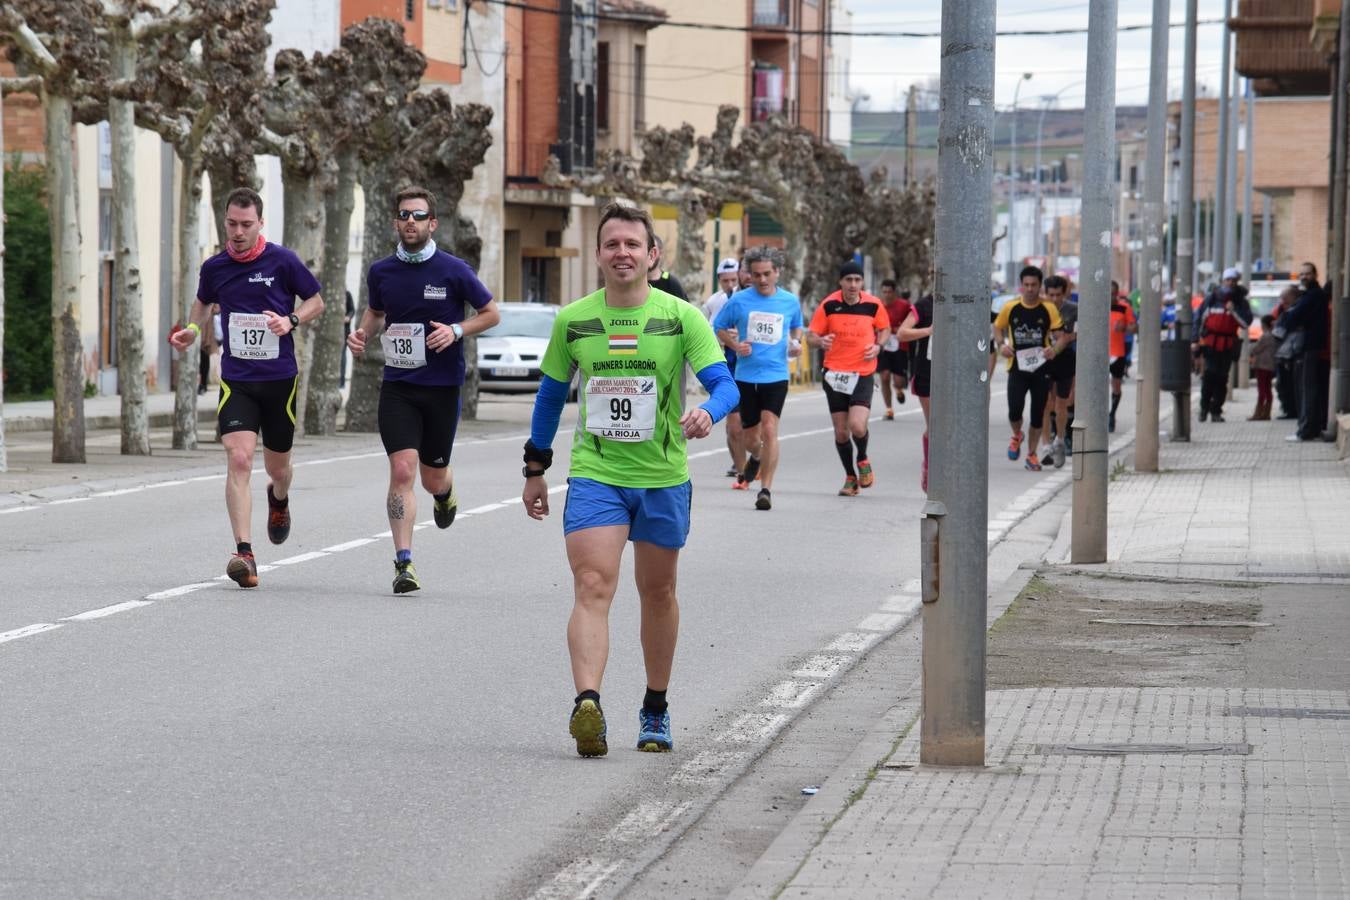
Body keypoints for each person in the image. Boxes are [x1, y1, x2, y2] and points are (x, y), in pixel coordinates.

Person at [521, 202, 738, 758]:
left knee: (658, 590)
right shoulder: (574, 319)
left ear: (652, 256)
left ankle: (655, 707)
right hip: (597, 474)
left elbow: (725, 385)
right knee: (593, 585)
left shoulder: (680, 317)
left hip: (663, 475)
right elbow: (549, 397)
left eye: (633, 245)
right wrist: (535, 468)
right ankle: (587, 703)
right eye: (612, 244)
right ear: (598, 255)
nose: (622, 253)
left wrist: (709, 412)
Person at [168, 187, 324, 588]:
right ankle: (245, 554)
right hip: (237, 380)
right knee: (238, 458)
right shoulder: (215, 267)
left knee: (278, 468)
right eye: (232, 224)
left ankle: (280, 497)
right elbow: (203, 304)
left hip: (278, 380)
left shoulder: (283, 261)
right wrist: (190, 329)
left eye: (246, 225)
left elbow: (316, 301)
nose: (238, 232)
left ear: (260, 224)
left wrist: (290, 319)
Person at [347, 186, 500, 593]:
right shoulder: (381, 272)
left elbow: (491, 313)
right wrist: (361, 335)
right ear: (395, 222)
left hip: (442, 388)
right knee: (402, 470)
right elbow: (377, 312)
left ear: (432, 223)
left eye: (418, 216)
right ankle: (404, 563)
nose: (410, 222)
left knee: (432, 478)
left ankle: (445, 493)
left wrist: (456, 329)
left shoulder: (453, 270)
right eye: (403, 215)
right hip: (398, 386)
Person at [713, 245, 805, 510]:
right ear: (749, 275)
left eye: (767, 273)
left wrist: (796, 342)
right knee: (751, 439)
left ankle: (765, 490)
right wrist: (734, 345)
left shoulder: (789, 301)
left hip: (776, 376)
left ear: (777, 272)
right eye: (756, 275)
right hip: (746, 376)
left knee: (769, 429)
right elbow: (719, 327)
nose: (762, 279)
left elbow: (797, 326)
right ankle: (755, 457)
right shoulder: (739, 301)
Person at [806, 262, 890, 496]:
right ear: (841, 282)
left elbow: (885, 328)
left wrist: (878, 346)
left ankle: (862, 458)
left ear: (862, 282)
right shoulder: (829, 305)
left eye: (857, 280)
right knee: (842, 432)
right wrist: (820, 342)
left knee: (857, 425)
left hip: (862, 372)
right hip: (834, 374)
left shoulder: (873, 305)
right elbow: (811, 336)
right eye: (848, 280)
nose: (853, 284)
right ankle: (850, 478)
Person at [993, 265, 1062, 471]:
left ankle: (1031, 455)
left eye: (1034, 285)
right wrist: (1001, 345)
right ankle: (1017, 435)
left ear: (1040, 286)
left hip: (1041, 369)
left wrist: (1054, 349)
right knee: (1015, 410)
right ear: (1021, 286)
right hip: (1017, 367)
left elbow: (1060, 336)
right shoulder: (1011, 307)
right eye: (1026, 285)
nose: (1030, 289)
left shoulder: (1048, 308)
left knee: (1037, 413)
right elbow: (997, 327)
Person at [1277, 261, 1330, 442]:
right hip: (1309, 346)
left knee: (1306, 389)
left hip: (1309, 346)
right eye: (1301, 274)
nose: (1303, 277)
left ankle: (1305, 430)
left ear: (1315, 274)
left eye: (1307, 273)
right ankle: (1310, 428)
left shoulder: (1313, 295)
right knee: (1307, 388)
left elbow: (1293, 317)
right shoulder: (1310, 295)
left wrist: (1290, 315)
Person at [703, 257, 745, 477]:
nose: (730, 284)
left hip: (747, 364)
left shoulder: (744, 298)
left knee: (749, 424)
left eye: (733, 279)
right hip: (725, 362)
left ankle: (750, 459)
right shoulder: (712, 302)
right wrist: (721, 337)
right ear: (719, 279)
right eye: (725, 280)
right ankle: (739, 466)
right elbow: (704, 329)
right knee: (733, 422)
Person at [1193, 267, 1251, 424]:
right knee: (1209, 377)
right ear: (1223, 281)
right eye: (1228, 280)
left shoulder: (1241, 302)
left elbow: (1246, 323)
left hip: (1228, 345)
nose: (1230, 283)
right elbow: (1199, 319)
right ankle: (1204, 408)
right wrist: (1194, 341)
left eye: (1233, 280)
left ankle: (1216, 410)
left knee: (1222, 379)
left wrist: (1234, 310)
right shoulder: (1211, 299)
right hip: (1210, 343)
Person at [897, 289, 934, 492]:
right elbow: (902, 332)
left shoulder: (963, 302)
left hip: (954, 375)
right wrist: (928, 331)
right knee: (935, 426)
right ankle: (929, 467)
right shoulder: (924, 305)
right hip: (927, 373)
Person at [1038, 274, 1077, 466]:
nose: (1054, 299)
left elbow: (1074, 335)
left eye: (1058, 295)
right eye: (1050, 295)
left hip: (1066, 360)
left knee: (1062, 403)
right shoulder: (1040, 308)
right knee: (1044, 403)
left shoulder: (1073, 310)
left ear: (1065, 293)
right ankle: (1045, 446)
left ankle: (1060, 439)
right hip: (1043, 359)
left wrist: (1063, 342)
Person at [874, 280, 912, 419]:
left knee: (898, 380)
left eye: (889, 292)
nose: (887, 295)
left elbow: (913, 320)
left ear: (894, 292)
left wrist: (900, 329)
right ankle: (889, 410)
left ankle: (899, 390)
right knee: (884, 377)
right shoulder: (877, 305)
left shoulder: (904, 306)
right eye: (884, 292)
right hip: (883, 345)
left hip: (899, 346)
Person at [1108, 280, 1139, 432]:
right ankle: (1100, 415)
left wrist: (1125, 327)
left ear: (1117, 293)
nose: (1110, 296)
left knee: (1116, 386)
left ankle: (1112, 414)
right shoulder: (1096, 306)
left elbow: (1134, 328)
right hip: (1099, 355)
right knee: (1097, 387)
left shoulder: (1124, 307)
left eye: (1113, 294)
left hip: (1117, 352)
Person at [1272, 285, 1301, 419]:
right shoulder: (1283, 311)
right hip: (1283, 353)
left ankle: (1291, 410)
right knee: (1282, 384)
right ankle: (1288, 409)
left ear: (1293, 297)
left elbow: (1280, 332)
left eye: (1285, 298)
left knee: (1287, 385)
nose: (1282, 301)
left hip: (1290, 353)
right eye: (1282, 298)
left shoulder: (1294, 312)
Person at [1248, 314, 1276, 421]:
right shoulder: (1273, 336)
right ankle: (1266, 412)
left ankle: (1259, 413)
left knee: (1262, 390)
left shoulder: (1265, 336)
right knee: (1268, 389)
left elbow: (1256, 349)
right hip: (1270, 366)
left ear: (1263, 324)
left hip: (1262, 365)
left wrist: (1250, 348)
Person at [647, 236, 688, 301]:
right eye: (648, 249)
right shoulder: (633, 282)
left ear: (660, 253)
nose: (650, 254)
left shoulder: (671, 283)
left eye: (654, 251)